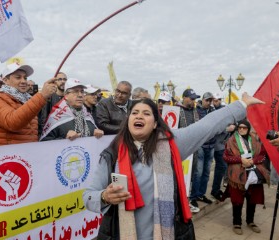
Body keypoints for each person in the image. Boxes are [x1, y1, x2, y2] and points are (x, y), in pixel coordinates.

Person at [83, 93, 264, 239]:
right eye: (135, 112)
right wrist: (105, 196)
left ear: (155, 123)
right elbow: (88, 196)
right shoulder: (112, 153)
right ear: (128, 120)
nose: (139, 116)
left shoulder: (172, 144)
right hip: (121, 232)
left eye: (146, 113)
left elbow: (207, 126)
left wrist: (242, 103)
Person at [0, 63, 57, 146]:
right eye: (18, 77)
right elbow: (12, 123)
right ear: (5, 80)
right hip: (6, 157)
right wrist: (42, 96)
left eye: (25, 78)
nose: (23, 81)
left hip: (25, 155)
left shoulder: (26, 100)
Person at [222, 119, 269, 235]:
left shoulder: (254, 140)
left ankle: (250, 221)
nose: (242, 129)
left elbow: (262, 155)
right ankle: (237, 223)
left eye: (244, 128)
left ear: (248, 129)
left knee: (252, 199)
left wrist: (252, 161)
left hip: (253, 173)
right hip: (237, 175)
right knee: (237, 200)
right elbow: (226, 157)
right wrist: (240, 160)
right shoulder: (231, 141)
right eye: (240, 128)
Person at [190, 92, 216, 207]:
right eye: (207, 100)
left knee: (206, 172)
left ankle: (201, 194)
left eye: (211, 100)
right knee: (198, 172)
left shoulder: (213, 111)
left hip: (211, 145)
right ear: (203, 100)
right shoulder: (196, 111)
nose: (209, 103)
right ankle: (193, 196)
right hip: (200, 145)